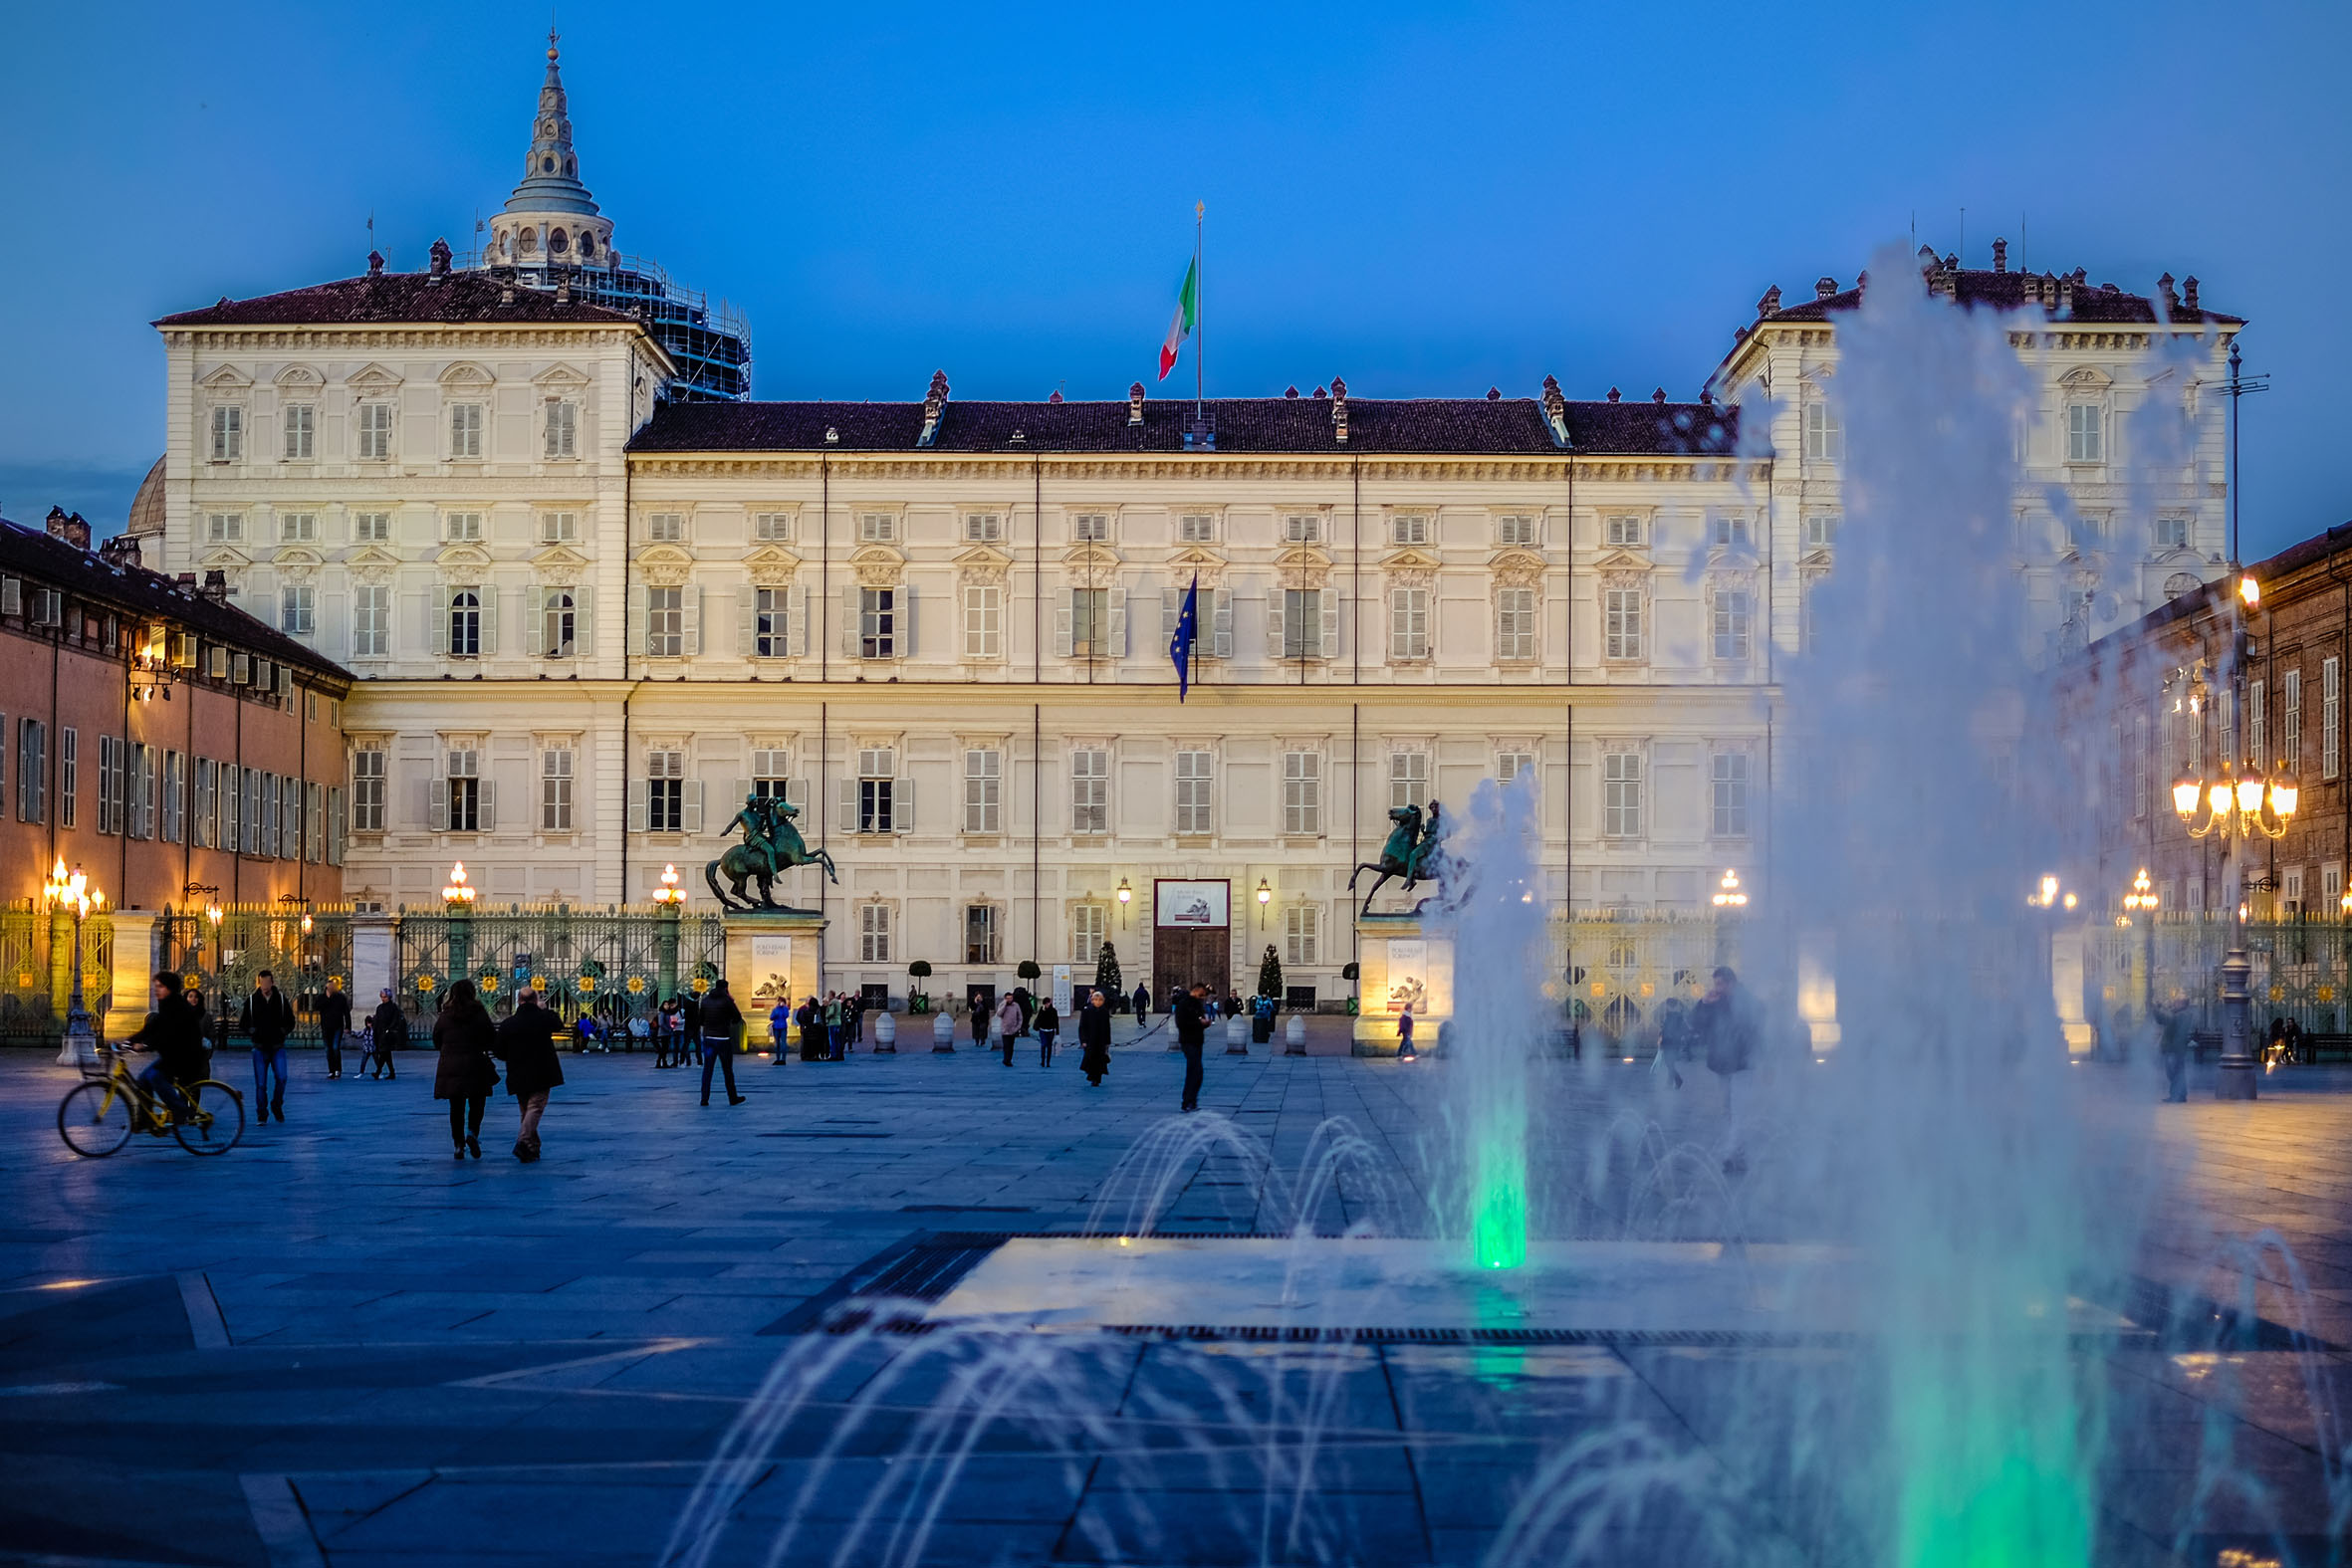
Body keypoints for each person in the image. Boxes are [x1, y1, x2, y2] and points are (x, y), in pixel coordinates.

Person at [1691, 967, 1759, 1172]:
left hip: (1742, 1065)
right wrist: (1703, 1004)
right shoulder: (1715, 1002)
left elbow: (1758, 1031)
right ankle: (1740, 1154)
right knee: (1727, 1111)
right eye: (1715, 984)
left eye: (1720, 984)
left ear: (1731, 983)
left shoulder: (1747, 1002)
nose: (1716, 988)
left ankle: (1729, 1154)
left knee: (1738, 1111)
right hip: (1722, 1064)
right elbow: (1696, 1024)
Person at [493, 987, 565, 1162]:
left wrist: (511, 1058)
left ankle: (532, 1148)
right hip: (542, 1072)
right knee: (535, 1108)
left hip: (517, 1073)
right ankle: (523, 1141)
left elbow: (498, 1051)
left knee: (526, 1111)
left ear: (518, 1000)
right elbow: (558, 1025)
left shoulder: (508, 1023)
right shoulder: (543, 1018)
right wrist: (545, 1009)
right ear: (535, 999)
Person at [431, 980, 499, 1159]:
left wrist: (448, 1050)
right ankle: (472, 1132)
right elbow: (490, 1036)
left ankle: (458, 1144)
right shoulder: (478, 1013)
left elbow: (436, 1038)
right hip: (475, 1062)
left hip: (451, 1065)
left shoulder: (445, 1015)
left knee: (456, 1106)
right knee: (478, 1102)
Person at [126, 973, 205, 1124]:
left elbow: (168, 1034)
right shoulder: (166, 1004)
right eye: (155, 986)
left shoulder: (178, 1007)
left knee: (154, 1077)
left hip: (187, 1057)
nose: (156, 990)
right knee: (143, 1079)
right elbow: (152, 1027)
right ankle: (146, 1118)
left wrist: (146, 1045)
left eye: (160, 986)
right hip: (172, 1056)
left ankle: (179, 1109)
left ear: (170, 988)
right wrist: (129, 1041)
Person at [242, 969, 297, 1123]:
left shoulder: (280, 999)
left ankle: (276, 1104)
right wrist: (252, 1032)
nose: (264, 985)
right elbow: (244, 1022)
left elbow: (290, 1020)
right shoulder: (252, 1000)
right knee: (260, 1084)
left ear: (272, 982)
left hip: (277, 1046)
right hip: (259, 1047)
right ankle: (262, 1113)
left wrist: (283, 1031)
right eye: (261, 982)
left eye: (267, 982)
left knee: (282, 1078)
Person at [699, 979, 748, 1106]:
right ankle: (732, 1097)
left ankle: (704, 1098)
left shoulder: (705, 1001)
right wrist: (728, 1022)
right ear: (726, 988)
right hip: (723, 1038)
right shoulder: (727, 1000)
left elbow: (701, 1019)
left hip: (708, 1038)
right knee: (727, 1070)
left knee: (707, 1069)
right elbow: (737, 1017)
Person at [1173, 983, 1210, 1112]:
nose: (1203, 998)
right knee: (1195, 1071)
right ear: (1197, 991)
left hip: (1197, 1041)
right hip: (1188, 1041)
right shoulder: (1183, 1004)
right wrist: (1199, 1023)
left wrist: (1204, 1023)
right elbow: (1182, 1023)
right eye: (1202, 995)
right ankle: (1187, 1101)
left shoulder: (1196, 1004)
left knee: (1197, 1072)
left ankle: (1191, 1101)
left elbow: (1200, 1018)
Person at [2157, 995, 2196, 1103]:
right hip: (2176, 1049)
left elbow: (2163, 1019)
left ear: (2182, 1004)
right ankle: (2179, 1095)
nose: (2174, 1003)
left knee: (2174, 1073)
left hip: (2173, 1049)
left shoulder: (2181, 1015)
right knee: (2177, 1073)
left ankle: (2177, 1095)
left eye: (2176, 1002)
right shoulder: (2181, 1014)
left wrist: (2157, 1009)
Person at [368, 989, 406, 1078]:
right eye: (381, 997)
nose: (383, 999)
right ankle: (391, 1072)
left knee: (384, 1052)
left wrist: (389, 1029)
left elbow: (395, 1020)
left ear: (389, 997)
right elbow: (377, 1019)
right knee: (386, 1054)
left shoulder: (393, 1007)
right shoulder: (380, 1007)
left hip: (388, 1033)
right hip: (380, 1032)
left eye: (384, 997)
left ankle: (378, 1071)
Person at [318, 981, 352, 1081]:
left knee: (335, 1047)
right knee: (328, 1049)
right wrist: (327, 998)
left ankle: (338, 1069)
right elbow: (317, 1007)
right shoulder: (322, 998)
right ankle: (331, 1070)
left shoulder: (340, 998)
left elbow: (346, 1012)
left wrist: (348, 1026)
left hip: (337, 1026)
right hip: (326, 1027)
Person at [1078, 989, 1113, 1086]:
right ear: (1092, 1000)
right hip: (1090, 1040)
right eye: (1096, 1000)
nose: (1098, 1002)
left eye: (1100, 1000)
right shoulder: (1087, 1011)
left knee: (1100, 1060)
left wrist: (1108, 1042)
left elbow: (1107, 1027)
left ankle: (1097, 1078)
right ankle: (1091, 1075)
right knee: (1090, 1059)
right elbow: (1082, 1027)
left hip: (1101, 1041)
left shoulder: (1104, 1012)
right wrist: (1083, 1040)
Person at [996, 991, 1025, 1066]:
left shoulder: (1016, 1005)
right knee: (1006, 1046)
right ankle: (1006, 1060)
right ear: (1005, 999)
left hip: (1013, 1030)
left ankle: (1009, 1059)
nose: (1009, 1000)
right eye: (1007, 998)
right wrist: (1004, 1005)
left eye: (1011, 998)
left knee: (1011, 1046)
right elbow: (999, 1014)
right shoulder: (1002, 1005)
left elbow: (1020, 1017)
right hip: (1004, 1030)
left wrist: (1018, 1027)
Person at [1035, 997, 1060, 1066]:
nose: (1047, 1005)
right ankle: (1043, 1061)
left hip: (1050, 1030)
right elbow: (1038, 1019)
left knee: (1049, 1046)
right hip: (1042, 1030)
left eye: (1047, 1003)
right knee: (1043, 1045)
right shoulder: (1041, 1010)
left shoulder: (1053, 1011)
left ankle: (1048, 1062)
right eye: (1045, 1004)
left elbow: (1056, 1021)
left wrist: (1057, 1032)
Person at [768, 996, 793, 1062]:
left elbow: (786, 1015)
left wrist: (783, 1007)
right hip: (776, 1027)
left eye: (781, 1001)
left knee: (783, 1043)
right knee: (777, 1043)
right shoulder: (775, 1009)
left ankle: (783, 1059)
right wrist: (776, 1012)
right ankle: (778, 1058)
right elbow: (771, 1017)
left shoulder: (785, 1008)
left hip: (783, 1027)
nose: (779, 1002)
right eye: (778, 1001)